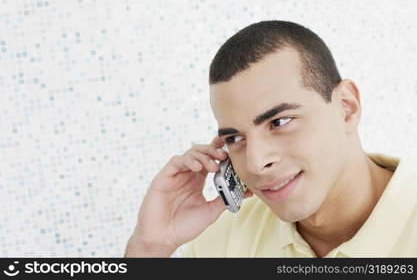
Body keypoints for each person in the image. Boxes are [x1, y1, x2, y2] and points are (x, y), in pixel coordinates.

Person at [124, 20, 417, 258]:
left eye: (279, 122)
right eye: (235, 138)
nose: (255, 162)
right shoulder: (227, 240)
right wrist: (150, 247)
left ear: (346, 107)